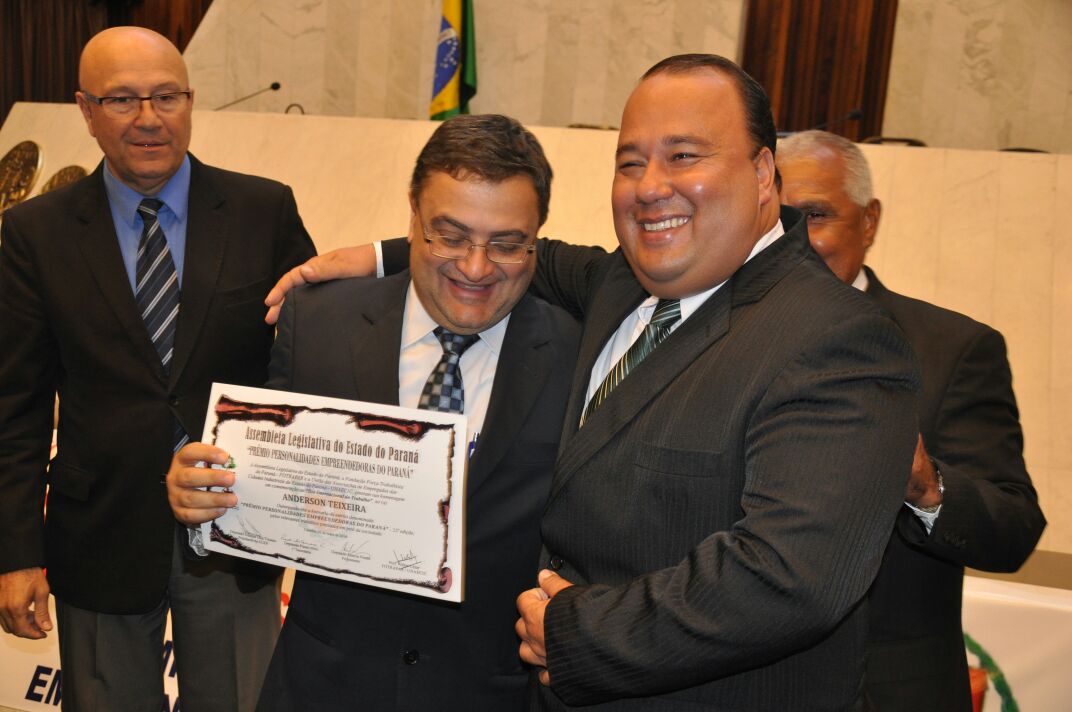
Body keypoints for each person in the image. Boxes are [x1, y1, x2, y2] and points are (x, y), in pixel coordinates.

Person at [262, 54, 922, 710]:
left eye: (684, 156)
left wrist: (579, 633)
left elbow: (792, 575)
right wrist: (383, 254)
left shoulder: (834, 336)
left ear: (762, 173)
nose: (650, 185)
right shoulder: (619, 285)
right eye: (630, 163)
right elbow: (505, 249)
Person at [167, 114, 581, 710]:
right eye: (451, 235)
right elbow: (257, 525)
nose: (475, 267)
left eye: (508, 244)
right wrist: (202, 506)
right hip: (321, 686)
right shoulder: (317, 325)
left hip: (488, 694)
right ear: (413, 215)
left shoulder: (577, 355)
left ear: (538, 236)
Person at [0, 27, 316, 712]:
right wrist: (17, 554)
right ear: (85, 110)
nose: (149, 118)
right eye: (122, 99)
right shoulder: (36, 233)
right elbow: (16, 410)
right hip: (99, 535)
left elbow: (306, 368)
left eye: (165, 96)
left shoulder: (265, 211)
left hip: (235, 531)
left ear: (191, 101)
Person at [777, 129, 1045, 711]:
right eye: (779, 219)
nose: (796, 240)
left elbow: (1014, 530)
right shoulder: (722, 337)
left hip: (884, 693)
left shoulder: (953, 349)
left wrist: (925, 487)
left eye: (817, 215)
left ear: (868, 222)